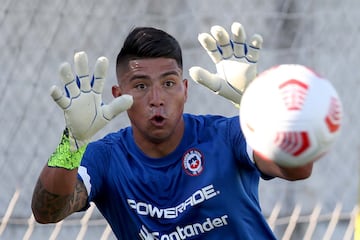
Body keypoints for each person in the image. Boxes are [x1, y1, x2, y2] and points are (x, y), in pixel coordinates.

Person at [31, 22, 313, 239]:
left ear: (184, 89)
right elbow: (46, 212)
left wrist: (260, 106)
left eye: (168, 83)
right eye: (141, 86)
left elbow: (298, 169)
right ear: (118, 95)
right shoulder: (106, 158)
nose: (157, 98)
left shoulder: (227, 136)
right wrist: (72, 143)